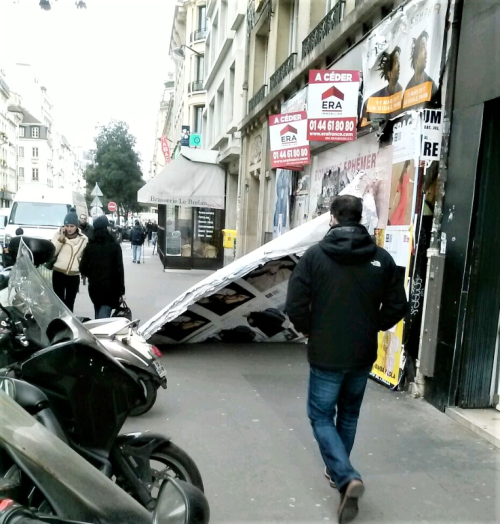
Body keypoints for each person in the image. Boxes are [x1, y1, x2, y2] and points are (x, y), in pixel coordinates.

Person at [285, 195, 408, 523]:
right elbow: (399, 306)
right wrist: (373, 325)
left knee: (321, 415)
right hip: (362, 352)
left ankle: (346, 475)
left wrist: (312, 330)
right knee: (349, 415)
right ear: (360, 219)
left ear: (333, 218)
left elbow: (295, 305)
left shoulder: (314, 257)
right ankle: (341, 476)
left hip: (326, 353)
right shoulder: (381, 258)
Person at [79, 215, 125, 319]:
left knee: (98, 310)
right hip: (110, 287)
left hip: (94, 287)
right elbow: (119, 270)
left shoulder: (90, 246)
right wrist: (121, 290)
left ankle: (96, 332)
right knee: (104, 315)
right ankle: (100, 334)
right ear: (106, 228)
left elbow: (82, 267)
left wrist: (92, 274)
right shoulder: (114, 246)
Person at [51, 207, 88, 312]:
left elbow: (84, 256)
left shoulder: (84, 239)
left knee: (69, 303)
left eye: (72, 226)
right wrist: (61, 239)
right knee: (59, 302)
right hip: (58, 272)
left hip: (73, 275)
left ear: (76, 226)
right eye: (67, 226)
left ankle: (67, 326)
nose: (69, 229)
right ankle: (58, 325)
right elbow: (53, 251)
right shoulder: (58, 235)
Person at [405, 31, 438, 96]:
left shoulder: (431, 86)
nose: (426, 53)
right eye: (423, 47)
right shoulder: (408, 90)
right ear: (415, 57)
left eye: (426, 46)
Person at [79, 213, 94, 286]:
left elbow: (93, 237)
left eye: (84, 218)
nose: (83, 220)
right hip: (78, 247)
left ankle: (86, 273)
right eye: (82, 218)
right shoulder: (77, 227)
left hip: (88, 247)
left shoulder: (90, 228)